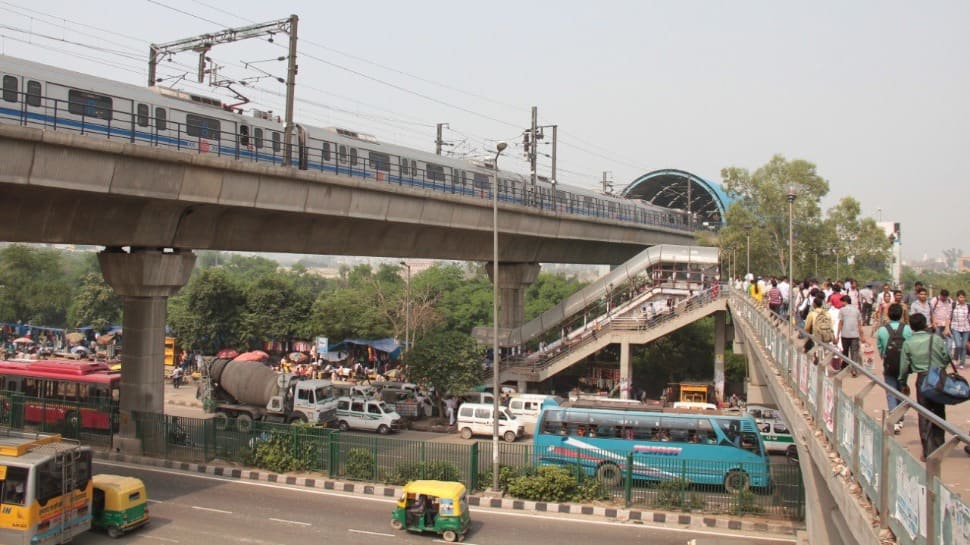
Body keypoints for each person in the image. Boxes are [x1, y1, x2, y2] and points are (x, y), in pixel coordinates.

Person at [898, 313, 951, 461]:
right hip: (939, 377)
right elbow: (946, 357)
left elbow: (904, 367)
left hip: (922, 379)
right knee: (939, 411)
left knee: (924, 413)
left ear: (911, 327)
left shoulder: (908, 343)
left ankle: (928, 450)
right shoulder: (936, 339)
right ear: (925, 324)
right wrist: (940, 368)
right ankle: (940, 445)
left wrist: (903, 382)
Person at [876, 303, 912, 434]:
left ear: (888, 315)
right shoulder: (907, 329)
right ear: (901, 315)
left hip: (889, 364)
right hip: (904, 366)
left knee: (891, 392)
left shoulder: (882, 330)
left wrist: (885, 358)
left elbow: (880, 348)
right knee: (901, 390)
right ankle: (901, 418)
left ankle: (894, 421)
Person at [837, 295, 864, 375]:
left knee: (845, 352)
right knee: (854, 353)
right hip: (855, 335)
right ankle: (854, 370)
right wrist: (862, 336)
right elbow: (859, 325)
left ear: (845, 301)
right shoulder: (857, 310)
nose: (841, 303)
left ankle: (844, 368)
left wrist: (837, 335)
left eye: (841, 302)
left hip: (845, 334)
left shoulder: (842, 310)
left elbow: (840, 323)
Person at [951, 290, 970, 369]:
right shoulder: (954, 305)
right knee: (958, 345)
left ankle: (962, 363)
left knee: (963, 346)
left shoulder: (968, 306)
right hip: (956, 327)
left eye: (963, 297)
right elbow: (949, 316)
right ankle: (956, 359)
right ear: (957, 297)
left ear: (965, 298)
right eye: (960, 297)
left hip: (966, 328)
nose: (961, 299)